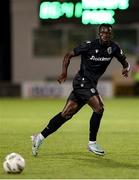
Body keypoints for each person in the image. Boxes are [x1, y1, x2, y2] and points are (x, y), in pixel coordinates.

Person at [31, 24, 130, 156]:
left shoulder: (114, 48)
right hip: (82, 82)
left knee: (66, 114)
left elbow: (124, 61)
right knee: (99, 108)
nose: (105, 35)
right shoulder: (89, 45)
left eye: (107, 33)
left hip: (89, 84)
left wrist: (126, 68)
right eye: (102, 33)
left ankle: (40, 137)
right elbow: (68, 55)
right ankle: (92, 143)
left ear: (111, 35)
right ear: (99, 33)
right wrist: (64, 73)